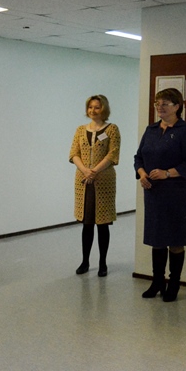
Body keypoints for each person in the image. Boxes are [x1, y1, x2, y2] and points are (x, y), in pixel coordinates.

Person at [135, 88, 186, 301]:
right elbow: (138, 157)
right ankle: (157, 281)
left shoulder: (185, 131)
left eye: (165, 103)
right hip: (153, 192)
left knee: (175, 238)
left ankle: (174, 283)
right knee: (157, 238)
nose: (160, 107)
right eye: (157, 103)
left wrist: (168, 173)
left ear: (177, 106)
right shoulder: (151, 129)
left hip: (176, 193)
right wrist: (142, 173)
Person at [69, 94, 121, 277]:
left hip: (103, 181)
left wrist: (94, 171)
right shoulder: (80, 130)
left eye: (97, 107)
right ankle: (85, 261)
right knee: (87, 224)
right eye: (90, 107)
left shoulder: (112, 129)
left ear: (104, 109)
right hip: (83, 182)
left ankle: (102, 263)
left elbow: (112, 154)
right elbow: (74, 153)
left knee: (103, 224)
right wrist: (85, 171)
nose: (93, 110)